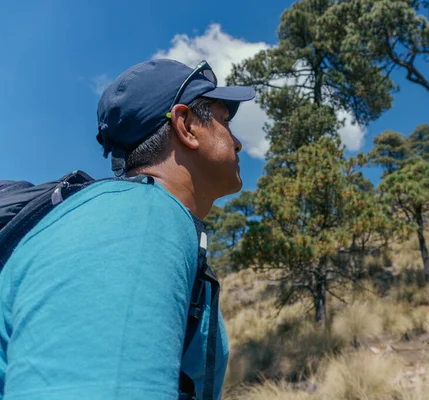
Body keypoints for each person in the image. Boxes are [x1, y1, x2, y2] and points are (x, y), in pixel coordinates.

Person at [0, 59, 255, 399]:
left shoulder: (137, 221)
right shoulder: (140, 225)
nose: (237, 142)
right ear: (186, 126)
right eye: (224, 121)